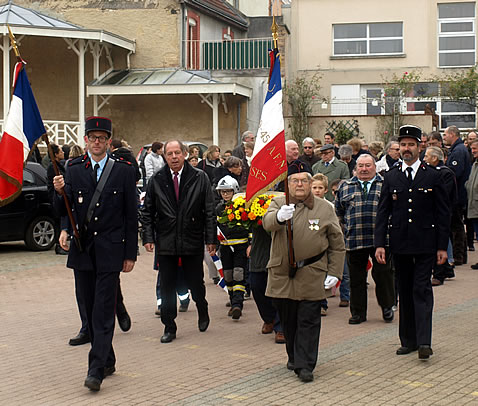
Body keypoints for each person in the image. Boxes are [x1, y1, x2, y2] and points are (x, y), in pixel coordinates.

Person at [53, 116, 138, 391]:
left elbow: (130, 214)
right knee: (89, 309)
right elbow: (66, 208)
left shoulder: (123, 170)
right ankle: (108, 357)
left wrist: (130, 253)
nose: (97, 142)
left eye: (102, 138)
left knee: (102, 310)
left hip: (111, 251)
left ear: (109, 141)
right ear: (86, 140)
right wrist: (64, 225)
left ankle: (95, 369)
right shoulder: (73, 168)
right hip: (82, 249)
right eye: (93, 137)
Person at [263, 160, 345, 383]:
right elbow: (267, 223)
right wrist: (279, 217)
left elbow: (337, 243)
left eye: (304, 181)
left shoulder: (324, 207)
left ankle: (306, 364)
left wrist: (334, 272)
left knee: (309, 320)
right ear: (288, 184)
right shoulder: (278, 202)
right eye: (294, 180)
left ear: (311, 183)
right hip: (282, 273)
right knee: (288, 321)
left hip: (312, 272)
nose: (299, 184)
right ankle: (294, 355)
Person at [375, 125, 450, 360]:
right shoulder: (392, 175)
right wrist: (380, 244)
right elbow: (383, 212)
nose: (406, 149)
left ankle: (424, 341)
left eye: (411, 145)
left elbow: (443, 213)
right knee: (405, 291)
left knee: (422, 289)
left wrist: (441, 247)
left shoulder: (433, 175)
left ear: (420, 146)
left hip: (426, 242)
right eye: (403, 145)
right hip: (400, 243)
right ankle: (408, 341)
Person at [141, 140, 216, 343]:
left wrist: (211, 239)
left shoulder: (200, 177)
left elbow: (209, 211)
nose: (174, 157)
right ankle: (169, 326)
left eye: (177, 153)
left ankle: (202, 308)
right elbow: (147, 211)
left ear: (184, 154)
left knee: (195, 282)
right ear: (164, 157)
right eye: (169, 154)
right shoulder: (157, 179)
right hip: (166, 240)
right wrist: (148, 237)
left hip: (191, 237)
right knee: (167, 286)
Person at [335, 154, 395, 324]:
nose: (364, 169)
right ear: (356, 168)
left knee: (383, 275)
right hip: (355, 240)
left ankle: (387, 307)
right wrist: (345, 231)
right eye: (361, 165)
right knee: (356, 278)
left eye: (368, 165)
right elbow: (338, 212)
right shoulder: (345, 186)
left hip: (382, 241)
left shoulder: (385, 184)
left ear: (375, 167)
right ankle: (358, 313)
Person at [215, 175, 249, 320]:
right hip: (225, 248)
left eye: (228, 191)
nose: (226, 194)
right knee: (228, 276)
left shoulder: (242, 206)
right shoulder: (218, 208)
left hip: (241, 246)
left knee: (238, 274)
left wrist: (251, 244)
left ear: (234, 191)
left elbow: (250, 226)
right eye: (223, 192)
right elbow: (215, 227)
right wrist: (213, 244)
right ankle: (232, 298)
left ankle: (237, 304)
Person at [423, 146, 457, 285]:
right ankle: (446, 270)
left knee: (440, 242)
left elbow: (444, 196)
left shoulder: (445, 173)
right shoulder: (429, 172)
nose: (424, 159)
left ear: (435, 158)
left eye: (426, 156)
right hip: (430, 214)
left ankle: (439, 274)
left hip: (441, 213)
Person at [443, 125, 471, 266]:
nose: (444, 137)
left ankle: (458, 255)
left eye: (445, 135)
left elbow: (454, 172)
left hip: (457, 194)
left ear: (453, 134)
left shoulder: (458, 151)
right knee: (457, 224)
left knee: (456, 226)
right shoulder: (458, 149)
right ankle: (460, 254)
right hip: (458, 193)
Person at [466, 140, 478, 269]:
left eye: (475, 148)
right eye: (472, 149)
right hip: (473, 204)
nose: (473, 151)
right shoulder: (474, 164)